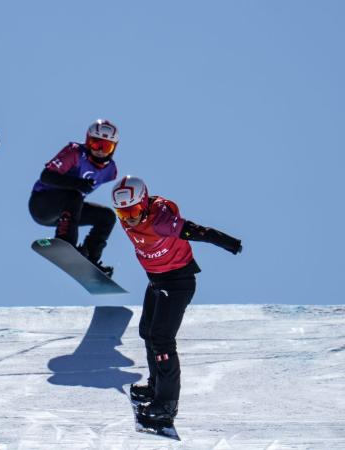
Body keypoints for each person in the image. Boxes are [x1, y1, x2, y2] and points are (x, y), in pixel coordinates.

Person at [111, 175, 242, 425]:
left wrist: (230, 243)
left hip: (178, 282)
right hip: (157, 280)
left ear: (144, 203)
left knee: (162, 338)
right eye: (123, 213)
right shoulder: (128, 220)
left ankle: (167, 404)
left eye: (134, 211)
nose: (130, 218)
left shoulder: (161, 221)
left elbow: (198, 231)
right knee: (147, 331)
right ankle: (155, 387)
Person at [28, 120, 120, 275]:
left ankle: (90, 259)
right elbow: (46, 176)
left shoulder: (110, 171)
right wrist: (77, 183)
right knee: (75, 194)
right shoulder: (75, 153)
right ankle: (65, 241)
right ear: (87, 141)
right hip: (42, 204)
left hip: (67, 212)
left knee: (107, 217)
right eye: (95, 144)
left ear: (113, 148)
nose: (100, 151)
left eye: (106, 146)